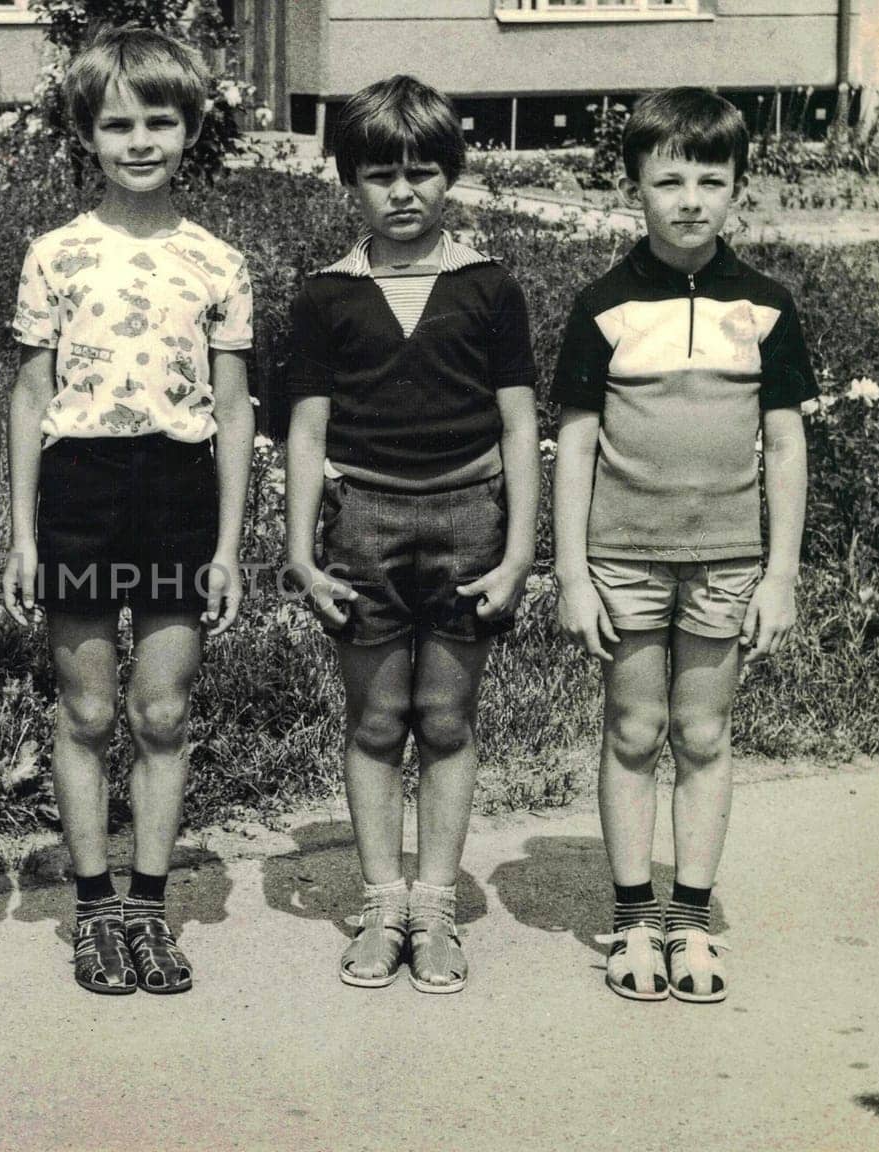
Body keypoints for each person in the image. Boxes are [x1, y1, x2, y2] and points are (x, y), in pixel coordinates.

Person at [1, 26, 255, 995]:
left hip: (177, 491)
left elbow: (232, 411)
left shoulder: (218, 262)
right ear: (86, 133)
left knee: (159, 712)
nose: (139, 140)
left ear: (191, 127)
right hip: (81, 489)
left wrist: (228, 547)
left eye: (159, 119)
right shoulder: (54, 255)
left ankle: (150, 908)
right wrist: (21, 535)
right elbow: (28, 397)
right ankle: (94, 906)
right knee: (88, 709)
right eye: (116, 123)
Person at [552, 87, 816, 1003]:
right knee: (634, 729)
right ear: (635, 187)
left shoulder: (768, 308)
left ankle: (691, 919)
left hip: (730, 559)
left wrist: (780, 574)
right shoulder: (602, 306)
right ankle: (633, 921)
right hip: (623, 557)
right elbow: (576, 443)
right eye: (669, 179)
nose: (691, 198)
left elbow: (784, 446)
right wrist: (572, 572)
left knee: (703, 731)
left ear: (740, 186)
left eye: (712, 178)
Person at [284, 75, 539, 994]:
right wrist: (303, 553)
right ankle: (381, 903)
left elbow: (518, 427)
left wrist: (518, 553)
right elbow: (307, 431)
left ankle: (435, 909)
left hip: (470, 519)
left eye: (422, 172)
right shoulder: (325, 297)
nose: (403, 192)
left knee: (445, 718)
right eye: (380, 174)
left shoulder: (487, 287)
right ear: (350, 182)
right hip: (366, 524)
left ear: (451, 178)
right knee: (377, 718)